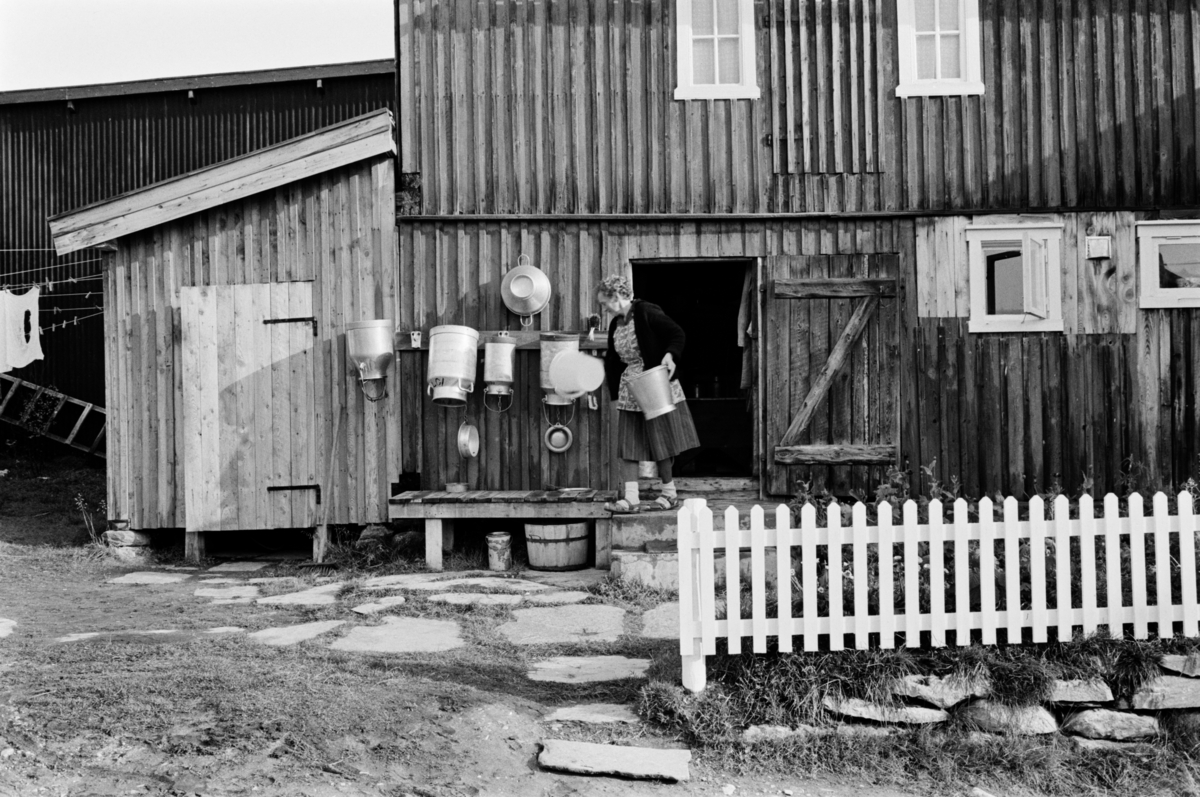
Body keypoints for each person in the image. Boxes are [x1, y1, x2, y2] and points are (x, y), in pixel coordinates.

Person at [597, 275, 700, 513]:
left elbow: (676, 334)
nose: (603, 308)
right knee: (628, 444)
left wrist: (670, 355)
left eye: (605, 302)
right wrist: (611, 392)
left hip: (655, 383)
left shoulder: (646, 312)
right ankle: (631, 499)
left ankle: (669, 493)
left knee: (661, 441)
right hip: (630, 388)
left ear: (618, 296)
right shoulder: (616, 324)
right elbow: (613, 360)